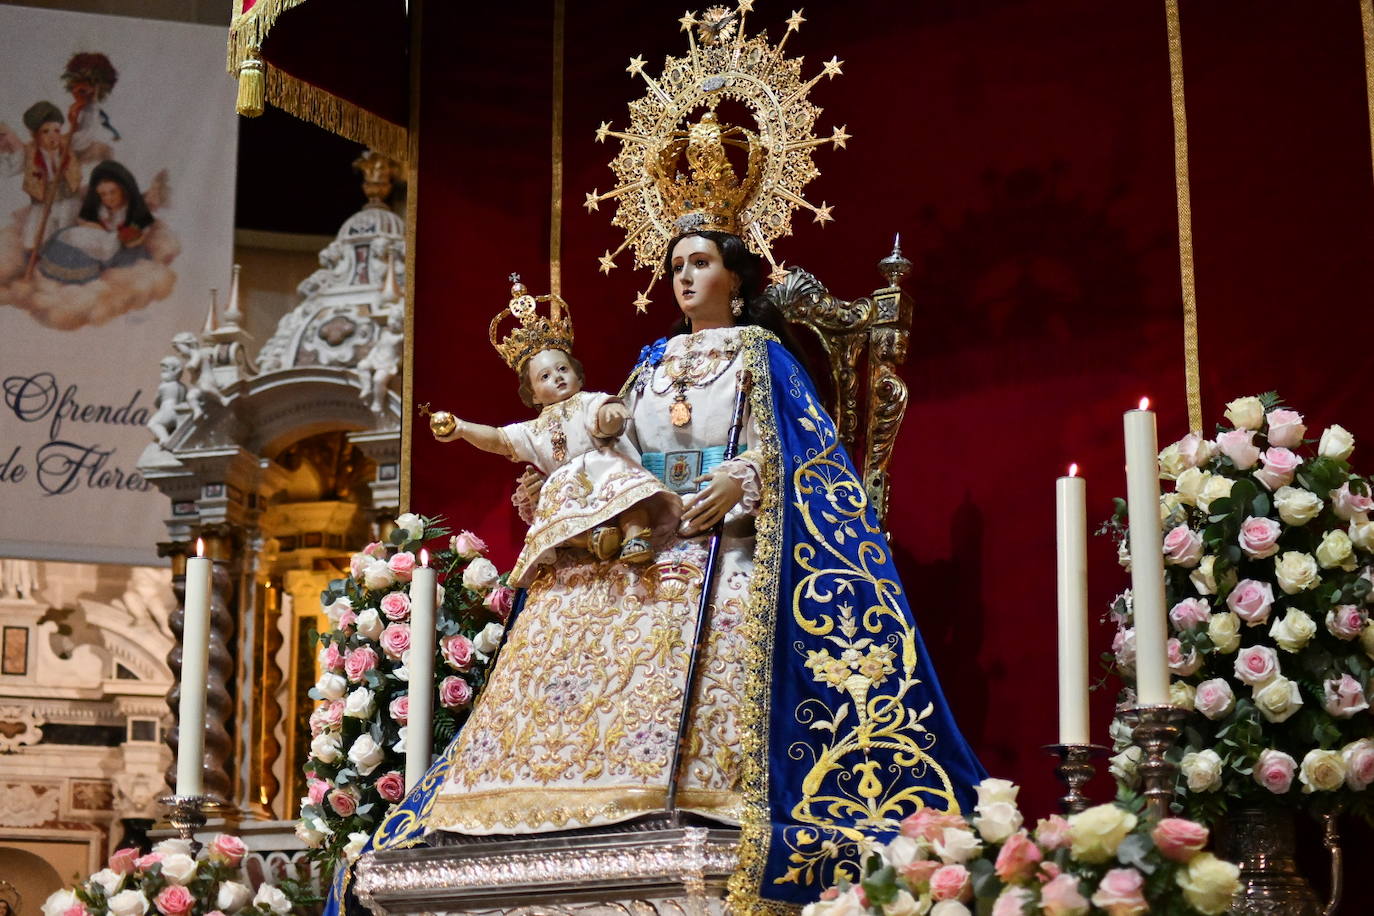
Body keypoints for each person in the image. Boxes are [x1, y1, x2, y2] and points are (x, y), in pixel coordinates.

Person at [430, 277, 681, 585]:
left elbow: (603, 417)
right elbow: (499, 439)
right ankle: (594, 539)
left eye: (563, 369)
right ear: (533, 394)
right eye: (545, 376)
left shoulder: (587, 401)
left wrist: (611, 415)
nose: (558, 378)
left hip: (605, 468)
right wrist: (463, 428)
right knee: (560, 523)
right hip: (567, 487)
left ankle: (634, 535)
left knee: (630, 499)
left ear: (577, 373)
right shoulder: (534, 429)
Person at [0, 101, 81, 252]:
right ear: (34, 134)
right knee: (32, 242)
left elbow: (85, 135)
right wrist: (5, 147)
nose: (53, 136)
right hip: (42, 204)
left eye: (56, 130)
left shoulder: (68, 142)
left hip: (67, 200)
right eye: (45, 131)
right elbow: (8, 170)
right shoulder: (28, 152)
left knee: (65, 237)